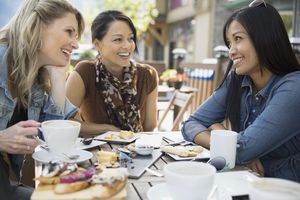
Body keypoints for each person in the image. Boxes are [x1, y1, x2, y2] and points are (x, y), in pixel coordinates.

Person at [181, 0, 300, 182]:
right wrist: (227, 142)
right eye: (229, 43)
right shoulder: (238, 80)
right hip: (245, 182)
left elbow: (242, 150)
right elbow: (191, 123)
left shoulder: (294, 88)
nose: (231, 51)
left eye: (238, 39)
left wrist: (222, 134)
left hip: (284, 189)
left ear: (264, 38)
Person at [0, 0, 84, 199]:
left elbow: (53, 141)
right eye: (69, 31)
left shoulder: (34, 81)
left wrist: (57, 78)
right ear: (37, 27)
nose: (76, 44)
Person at [66, 10, 158, 135]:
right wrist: (106, 130)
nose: (127, 45)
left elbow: (150, 126)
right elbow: (65, 121)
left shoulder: (148, 74)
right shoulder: (84, 72)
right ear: (97, 44)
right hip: (96, 152)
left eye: (130, 38)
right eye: (118, 39)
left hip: (137, 150)